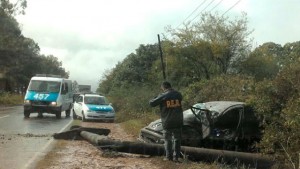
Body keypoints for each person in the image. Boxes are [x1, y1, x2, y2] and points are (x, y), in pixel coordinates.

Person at [149, 81, 183, 162]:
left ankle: (168, 157)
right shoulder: (178, 94)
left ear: (164, 87)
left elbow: (151, 103)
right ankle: (176, 157)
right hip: (178, 120)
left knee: (168, 139)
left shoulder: (163, 95)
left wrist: (156, 96)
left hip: (168, 121)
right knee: (177, 139)